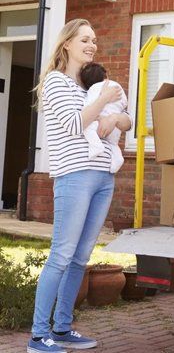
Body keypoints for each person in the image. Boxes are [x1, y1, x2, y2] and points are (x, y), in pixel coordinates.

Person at [28, 19, 132, 353]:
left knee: (80, 257)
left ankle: (61, 328)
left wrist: (114, 117)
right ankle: (38, 336)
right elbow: (75, 124)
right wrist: (103, 103)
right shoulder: (56, 82)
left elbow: (125, 119)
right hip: (74, 176)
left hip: (103, 177)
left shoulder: (91, 85)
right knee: (61, 255)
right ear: (67, 45)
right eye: (85, 39)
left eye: (95, 40)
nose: (92, 45)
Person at [80, 62, 128, 173]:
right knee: (113, 144)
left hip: (99, 126)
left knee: (86, 127)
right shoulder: (117, 86)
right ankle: (117, 158)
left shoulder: (94, 89)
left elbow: (88, 107)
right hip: (115, 129)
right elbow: (124, 103)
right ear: (106, 76)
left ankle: (95, 145)